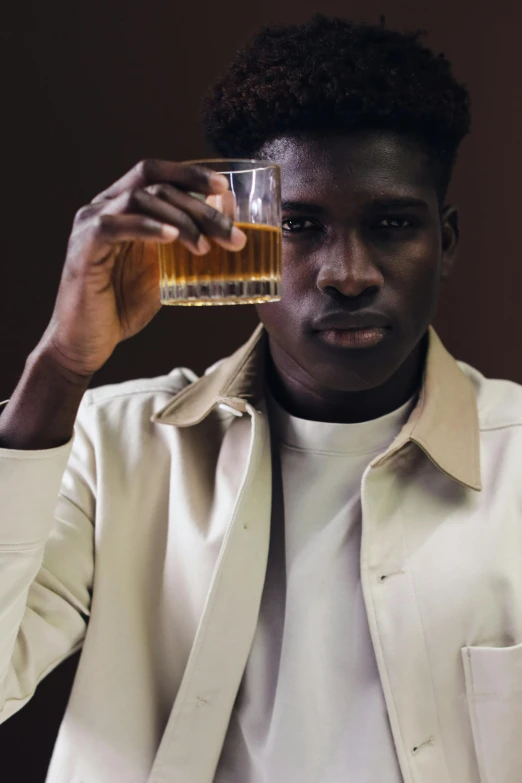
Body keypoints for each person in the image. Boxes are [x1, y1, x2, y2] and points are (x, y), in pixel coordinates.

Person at [0, 11, 520, 783]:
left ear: (443, 244)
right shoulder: (114, 445)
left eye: (392, 224)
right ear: (236, 238)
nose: (349, 271)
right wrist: (59, 364)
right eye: (301, 225)